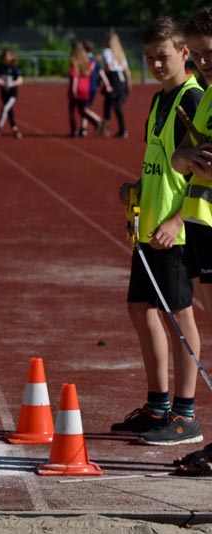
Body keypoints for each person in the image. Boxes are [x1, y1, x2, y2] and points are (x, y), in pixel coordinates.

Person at [113, 17, 204, 446]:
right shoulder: (158, 101)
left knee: (180, 319)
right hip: (149, 225)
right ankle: (157, 405)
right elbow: (164, 161)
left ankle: (185, 415)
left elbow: (203, 172)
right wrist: (138, 185)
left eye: (163, 56)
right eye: (149, 57)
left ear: (184, 53)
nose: (155, 64)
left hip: (175, 231)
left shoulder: (194, 99)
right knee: (140, 309)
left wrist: (178, 218)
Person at [170, 6, 212, 474]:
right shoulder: (207, 97)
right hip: (203, 225)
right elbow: (184, 161)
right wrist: (187, 156)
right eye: (198, 55)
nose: (204, 63)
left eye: (210, 52)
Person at [101, 32, 132, 138]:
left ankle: (111, 129)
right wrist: (129, 83)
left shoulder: (107, 52)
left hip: (113, 79)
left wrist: (101, 73)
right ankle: (119, 129)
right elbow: (127, 70)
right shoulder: (121, 53)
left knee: (112, 104)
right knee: (110, 103)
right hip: (121, 80)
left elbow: (109, 67)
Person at [67, 41, 102, 137]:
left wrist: (73, 90)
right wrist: (94, 62)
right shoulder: (86, 61)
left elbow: (74, 77)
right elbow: (90, 71)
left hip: (76, 87)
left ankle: (74, 131)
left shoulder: (74, 61)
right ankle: (96, 121)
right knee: (82, 110)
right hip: (85, 88)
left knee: (72, 110)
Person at [0, 48, 23, 139]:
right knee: (9, 111)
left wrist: (11, 84)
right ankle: (15, 130)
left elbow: (20, 80)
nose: (6, 57)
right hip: (3, 93)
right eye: (5, 55)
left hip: (12, 94)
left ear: (12, 56)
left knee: (5, 108)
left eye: (8, 55)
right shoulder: (0, 67)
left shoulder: (15, 68)